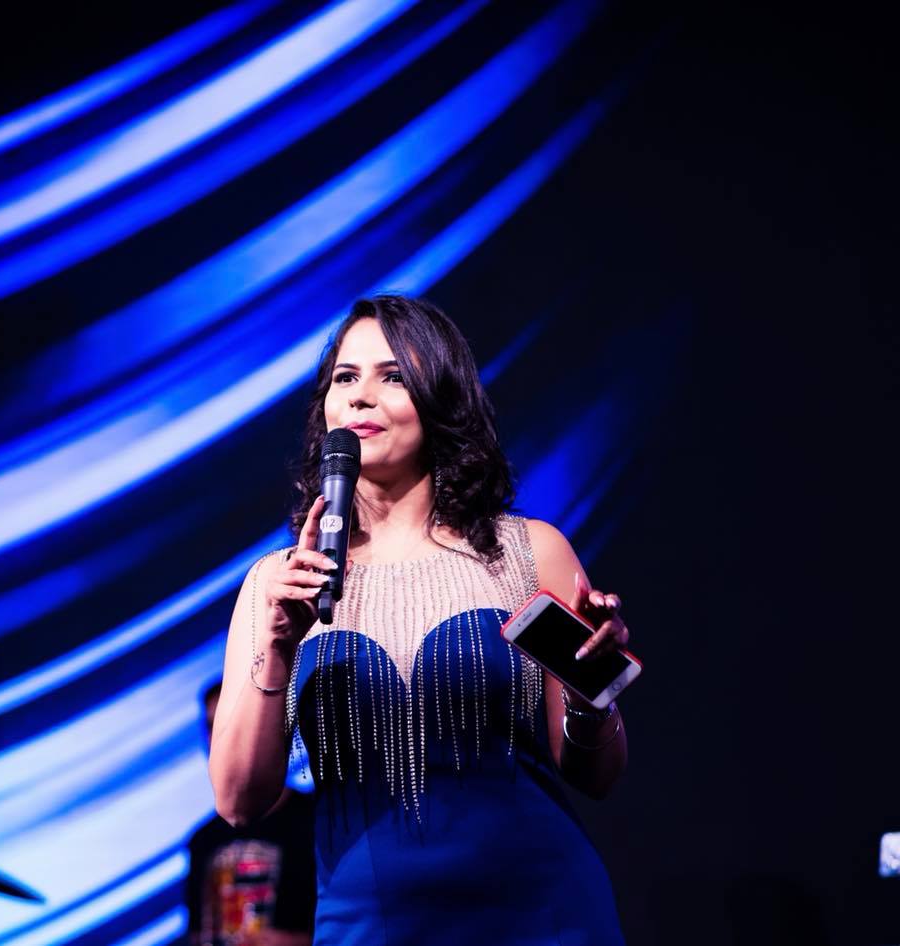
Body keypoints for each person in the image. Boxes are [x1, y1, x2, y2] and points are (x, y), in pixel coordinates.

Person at [209, 294, 632, 945]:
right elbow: (239, 803)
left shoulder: (529, 553)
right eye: (345, 378)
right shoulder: (279, 582)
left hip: (543, 915)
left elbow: (597, 776)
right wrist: (278, 644)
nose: (361, 396)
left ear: (440, 398)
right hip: (371, 926)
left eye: (393, 376)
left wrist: (590, 698)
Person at [186, 681, 316, 946]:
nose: (215, 740)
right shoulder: (203, 840)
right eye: (210, 726)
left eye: (225, 723)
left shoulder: (319, 821)